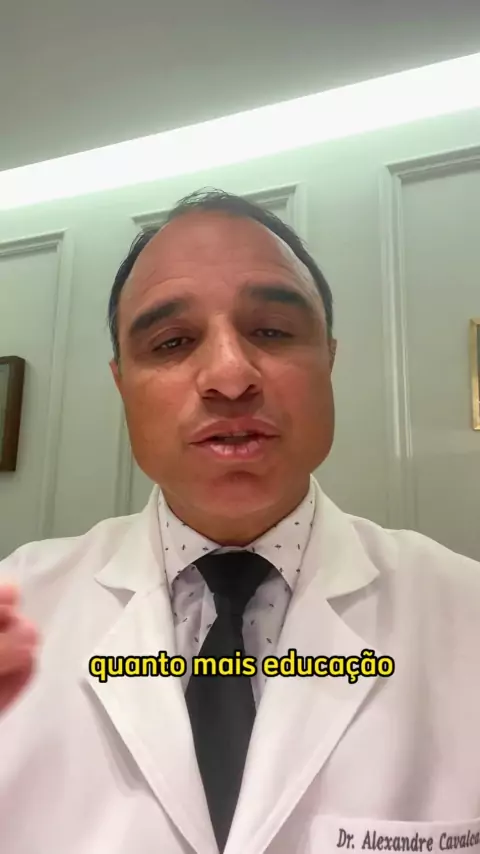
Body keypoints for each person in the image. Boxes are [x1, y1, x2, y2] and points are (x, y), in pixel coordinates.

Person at [0, 189, 479, 854]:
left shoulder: (466, 612)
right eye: (172, 342)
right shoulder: (21, 607)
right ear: (121, 384)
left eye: (273, 331)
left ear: (329, 360)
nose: (229, 376)